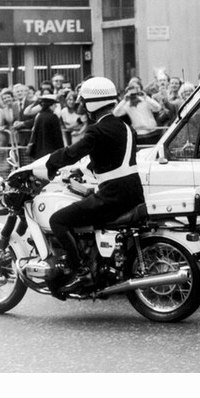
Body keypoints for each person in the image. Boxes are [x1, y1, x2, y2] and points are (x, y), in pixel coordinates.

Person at [44, 77, 144, 293]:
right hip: (134, 192)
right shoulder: (125, 127)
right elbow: (112, 157)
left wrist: (50, 162)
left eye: (84, 101)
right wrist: (82, 170)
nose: (82, 105)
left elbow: (72, 152)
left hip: (112, 196)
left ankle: (82, 272)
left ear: (93, 103)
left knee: (58, 220)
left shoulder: (96, 130)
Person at [27, 92, 65, 159]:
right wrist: (61, 151)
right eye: (54, 104)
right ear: (50, 105)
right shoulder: (53, 117)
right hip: (52, 152)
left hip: (39, 152)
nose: (56, 106)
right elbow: (57, 136)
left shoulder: (39, 116)